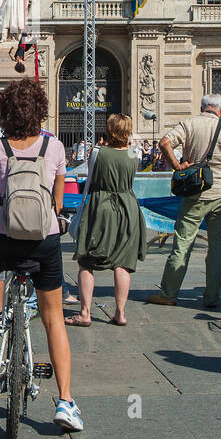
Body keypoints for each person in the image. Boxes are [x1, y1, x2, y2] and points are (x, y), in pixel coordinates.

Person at [0, 78, 83, 432]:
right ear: (40, 110)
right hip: (45, 240)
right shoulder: (54, 147)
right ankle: (65, 401)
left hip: (3, 238)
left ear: (2, 111)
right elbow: (59, 201)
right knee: (53, 318)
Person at [149, 93, 221, 309]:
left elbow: (164, 142)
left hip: (194, 194)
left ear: (203, 107)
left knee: (182, 245)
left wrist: (178, 166)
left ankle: (169, 293)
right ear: (220, 111)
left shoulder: (189, 124)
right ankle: (211, 297)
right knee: (217, 248)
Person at [70, 113, 146, 327]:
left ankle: (85, 313)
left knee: (86, 261)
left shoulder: (97, 153)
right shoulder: (134, 155)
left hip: (101, 207)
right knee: (122, 263)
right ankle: (120, 313)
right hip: (128, 207)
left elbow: (90, 177)